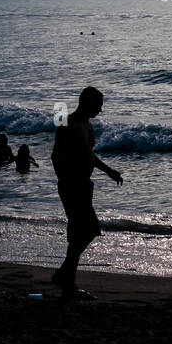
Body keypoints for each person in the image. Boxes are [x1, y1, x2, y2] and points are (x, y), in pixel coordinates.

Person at [50, 87, 123, 299]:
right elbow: (56, 156)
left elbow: (89, 155)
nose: (100, 110)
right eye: (98, 105)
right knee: (84, 231)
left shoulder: (87, 125)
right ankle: (66, 279)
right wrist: (65, 180)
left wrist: (108, 171)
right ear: (86, 103)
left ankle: (65, 277)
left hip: (84, 185)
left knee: (84, 231)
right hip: (72, 185)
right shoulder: (67, 123)